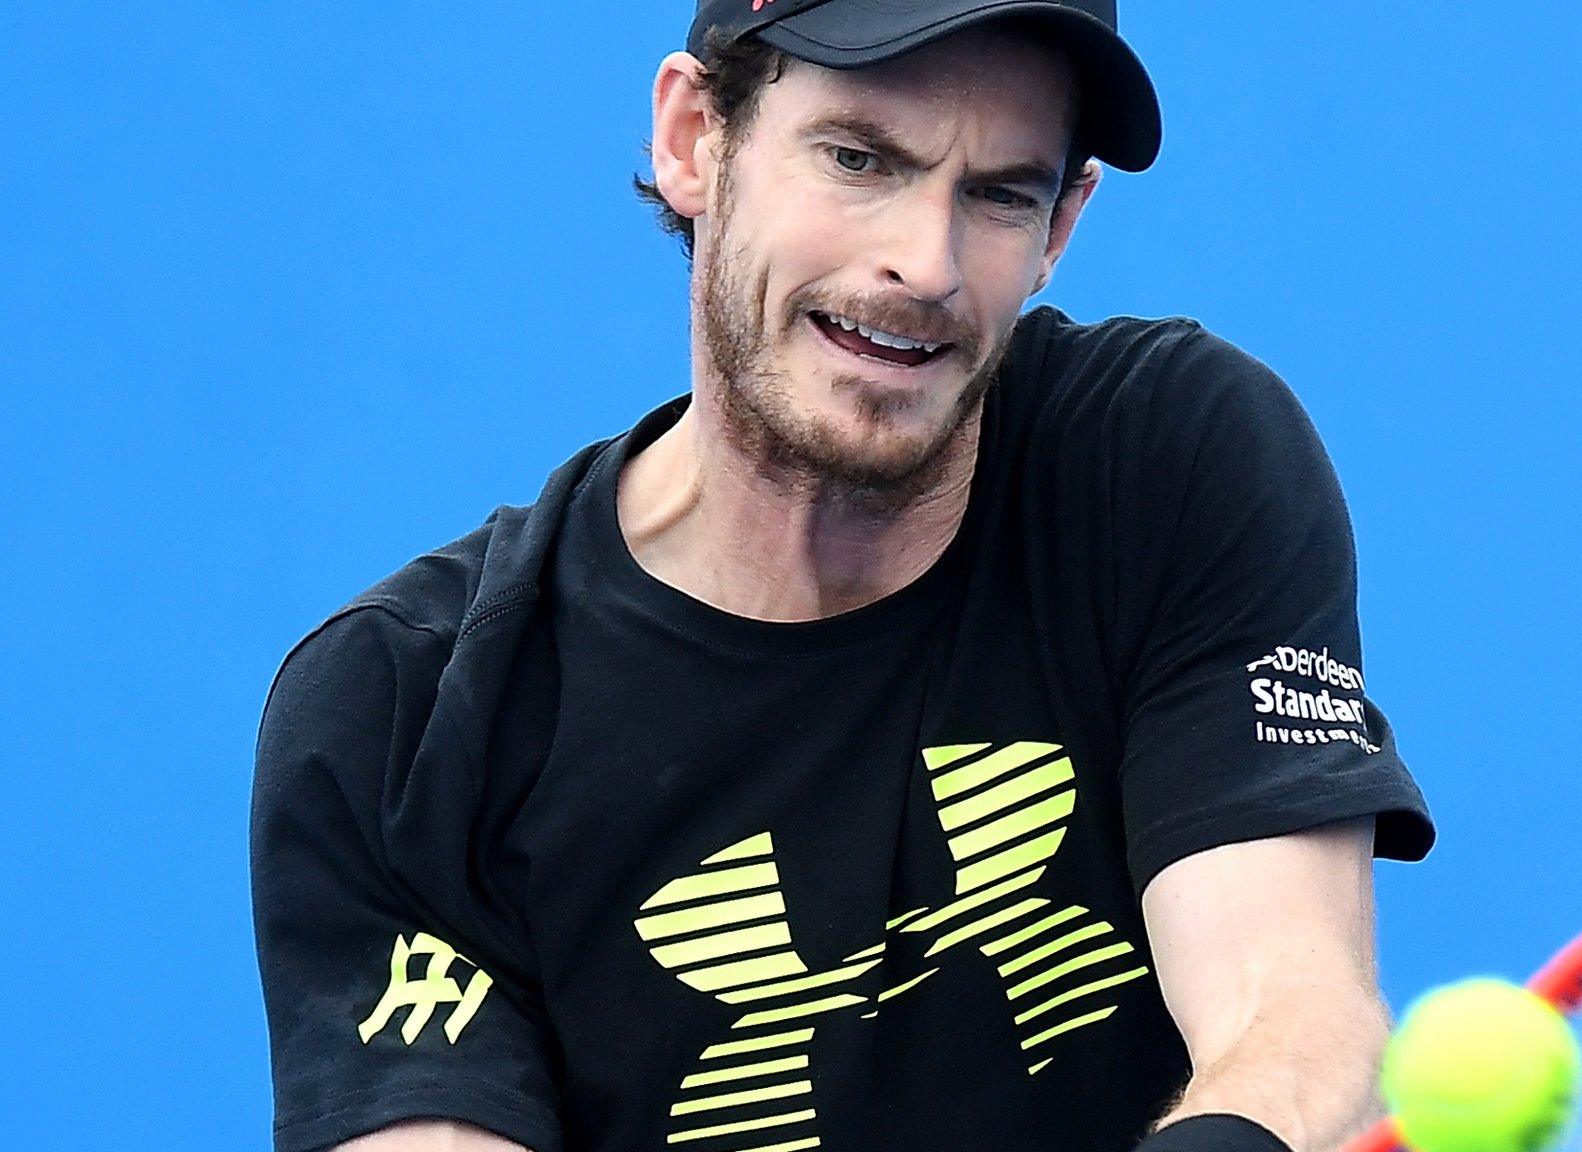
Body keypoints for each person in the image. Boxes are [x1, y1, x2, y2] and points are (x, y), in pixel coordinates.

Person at [250, 2, 1434, 1151]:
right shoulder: (401, 716)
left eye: (998, 194)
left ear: (1061, 224)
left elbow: (1295, 1024)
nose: (924, 265)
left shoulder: (1167, 462)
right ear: (694, 139)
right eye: (858, 158)